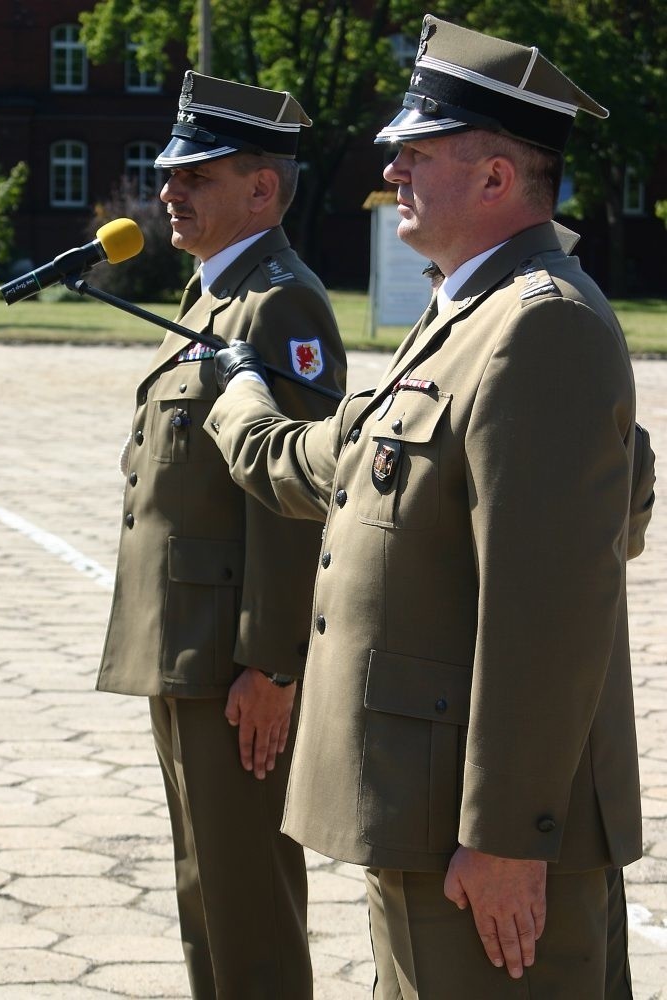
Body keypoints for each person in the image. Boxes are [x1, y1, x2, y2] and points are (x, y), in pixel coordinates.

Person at [204, 17, 656, 999]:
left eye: (416, 152)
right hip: (419, 803)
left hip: (474, 829)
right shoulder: (465, 312)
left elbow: (548, 607)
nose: (390, 168)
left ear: (495, 180)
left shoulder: (540, 327)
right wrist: (241, 395)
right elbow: (337, 466)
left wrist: (504, 835)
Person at [96, 70, 346, 999]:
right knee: (208, 890)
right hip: (185, 647)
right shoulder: (213, 299)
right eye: (171, 173)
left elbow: (295, 493)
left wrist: (273, 665)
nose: (170, 191)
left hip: (236, 665)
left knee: (247, 907)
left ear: (263, 189)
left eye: (197, 175)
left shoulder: (279, 304)